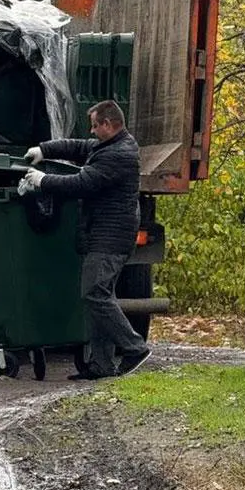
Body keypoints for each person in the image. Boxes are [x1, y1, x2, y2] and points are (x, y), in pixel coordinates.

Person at [19, 100, 151, 380]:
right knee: (101, 297)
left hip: (110, 237)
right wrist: (44, 149)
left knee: (93, 293)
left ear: (107, 124)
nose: (91, 131)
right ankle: (101, 365)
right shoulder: (110, 145)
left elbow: (82, 184)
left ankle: (135, 348)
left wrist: (42, 181)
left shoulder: (119, 154)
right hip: (104, 233)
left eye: (94, 125)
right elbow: (78, 147)